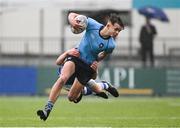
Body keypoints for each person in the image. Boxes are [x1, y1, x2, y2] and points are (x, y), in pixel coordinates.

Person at [37, 12, 124, 121]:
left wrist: (96, 61)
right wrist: (72, 21)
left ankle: (105, 85)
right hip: (76, 57)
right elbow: (71, 14)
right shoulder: (93, 25)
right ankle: (47, 109)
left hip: (87, 67)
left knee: (71, 97)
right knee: (62, 78)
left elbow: (103, 55)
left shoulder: (111, 45)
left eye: (119, 31)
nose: (117, 33)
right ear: (108, 25)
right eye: (116, 29)